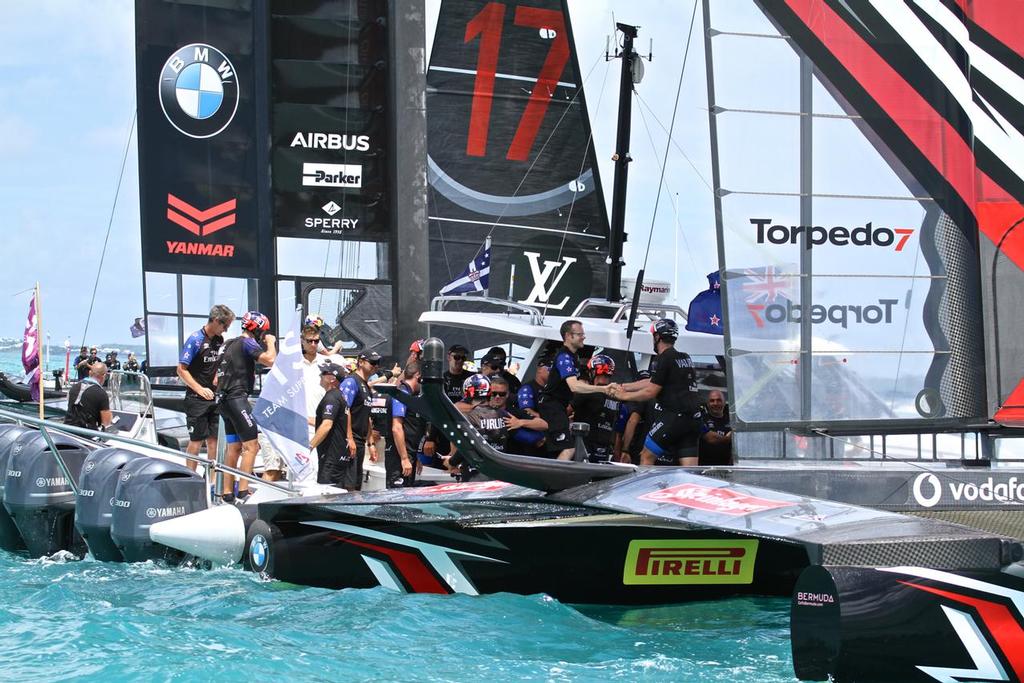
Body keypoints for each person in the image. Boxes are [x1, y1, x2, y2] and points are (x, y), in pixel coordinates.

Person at [610, 318, 702, 466]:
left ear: (657, 337)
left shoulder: (662, 358)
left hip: (674, 417)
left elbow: (650, 392)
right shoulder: (684, 357)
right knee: (690, 468)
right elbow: (653, 381)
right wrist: (624, 386)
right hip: (694, 420)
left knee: (646, 456)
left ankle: (646, 488)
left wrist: (624, 396)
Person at [215, 310, 276, 503]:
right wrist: (271, 343)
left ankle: (227, 492)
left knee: (234, 447)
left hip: (223, 400)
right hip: (237, 399)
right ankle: (243, 490)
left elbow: (216, 377)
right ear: (257, 330)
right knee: (252, 446)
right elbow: (270, 360)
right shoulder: (247, 342)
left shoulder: (227, 344)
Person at [538, 320, 611, 460]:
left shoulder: (573, 357)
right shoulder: (564, 357)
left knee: (566, 446)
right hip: (551, 404)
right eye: (580, 334)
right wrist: (603, 389)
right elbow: (574, 386)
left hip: (559, 405)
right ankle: (555, 480)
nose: (584, 337)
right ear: (568, 336)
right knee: (569, 448)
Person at [177, 305, 235, 474]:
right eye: (225, 326)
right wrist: (199, 389)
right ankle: (190, 476)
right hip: (197, 398)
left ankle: (211, 479)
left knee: (214, 440)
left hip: (215, 396)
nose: (225, 330)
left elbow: (218, 363)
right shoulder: (195, 339)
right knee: (196, 440)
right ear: (216, 321)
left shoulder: (219, 340)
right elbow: (181, 369)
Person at [572, 354, 628, 463]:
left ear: (593, 371)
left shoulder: (587, 391)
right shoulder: (616, 395)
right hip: (606, 448)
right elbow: (617, 427)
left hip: (584, 445)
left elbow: (567, 410)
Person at [310, 362, 354, 489]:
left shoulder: (331, 398)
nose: (320, 375)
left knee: (327, 495)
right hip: (338, 455)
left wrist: (310, 446)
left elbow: (327, 425)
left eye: (323, 373)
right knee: (337, 492)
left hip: (331, 457)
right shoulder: (341, 396)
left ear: (332, 378)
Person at [340, 351, 379, 490]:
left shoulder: (366, 386)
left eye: (377, 363)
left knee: (356, 484)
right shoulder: (351, 382)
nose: (376, 366)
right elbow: (345, 410)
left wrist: (371, 443)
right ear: (361, 362)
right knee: (348, 485)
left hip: (361, 441)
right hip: (350, 440)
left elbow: (366, 416)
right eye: (372, 363)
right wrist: (349, 438)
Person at [384, 362, 427, 488]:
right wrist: (404, 458)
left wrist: (414, 457)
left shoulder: (411, 396)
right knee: (396, 497)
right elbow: (396, 428)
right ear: (418, 375)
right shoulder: (401, 395)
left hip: (409, 454)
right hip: (398, 457)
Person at [65, 362, 112, 431]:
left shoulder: (74, 387)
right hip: (86, 434)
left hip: (67, 430)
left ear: (90, 373)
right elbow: (106, 422)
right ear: (104, 376)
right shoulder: (101, 394)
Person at [699, 389, 733, 466]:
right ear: (707, 403)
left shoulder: (731, 419)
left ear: (724, 402)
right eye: (712, 401)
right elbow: (711, 438)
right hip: (705, 467)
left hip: (727, 468)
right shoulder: (701, 419)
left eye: (719, 400)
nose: (715, 403)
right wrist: (729, 437)